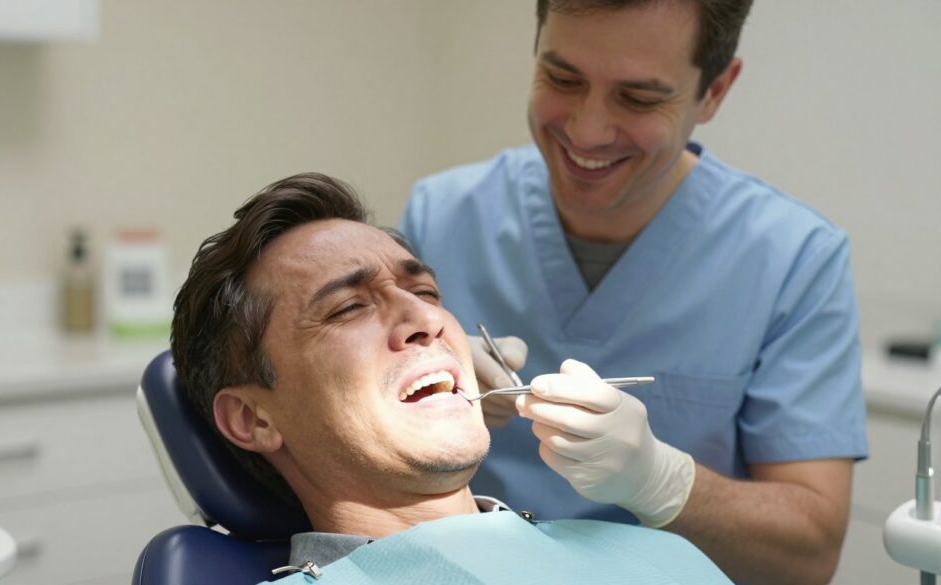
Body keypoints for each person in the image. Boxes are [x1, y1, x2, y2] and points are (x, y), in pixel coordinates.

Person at [399, 1, 868, 584]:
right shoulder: (443, 217)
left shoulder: (793, 258)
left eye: (640, 98)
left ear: (715, 90)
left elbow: (810, 554)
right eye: (562, 78)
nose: (586, 130)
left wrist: (663, 481)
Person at [169, 172, 732, 584]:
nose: (427, 320)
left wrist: (660, 481)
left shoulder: (656, 557)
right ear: (253, 417)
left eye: (425, 292)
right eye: (347, 308)